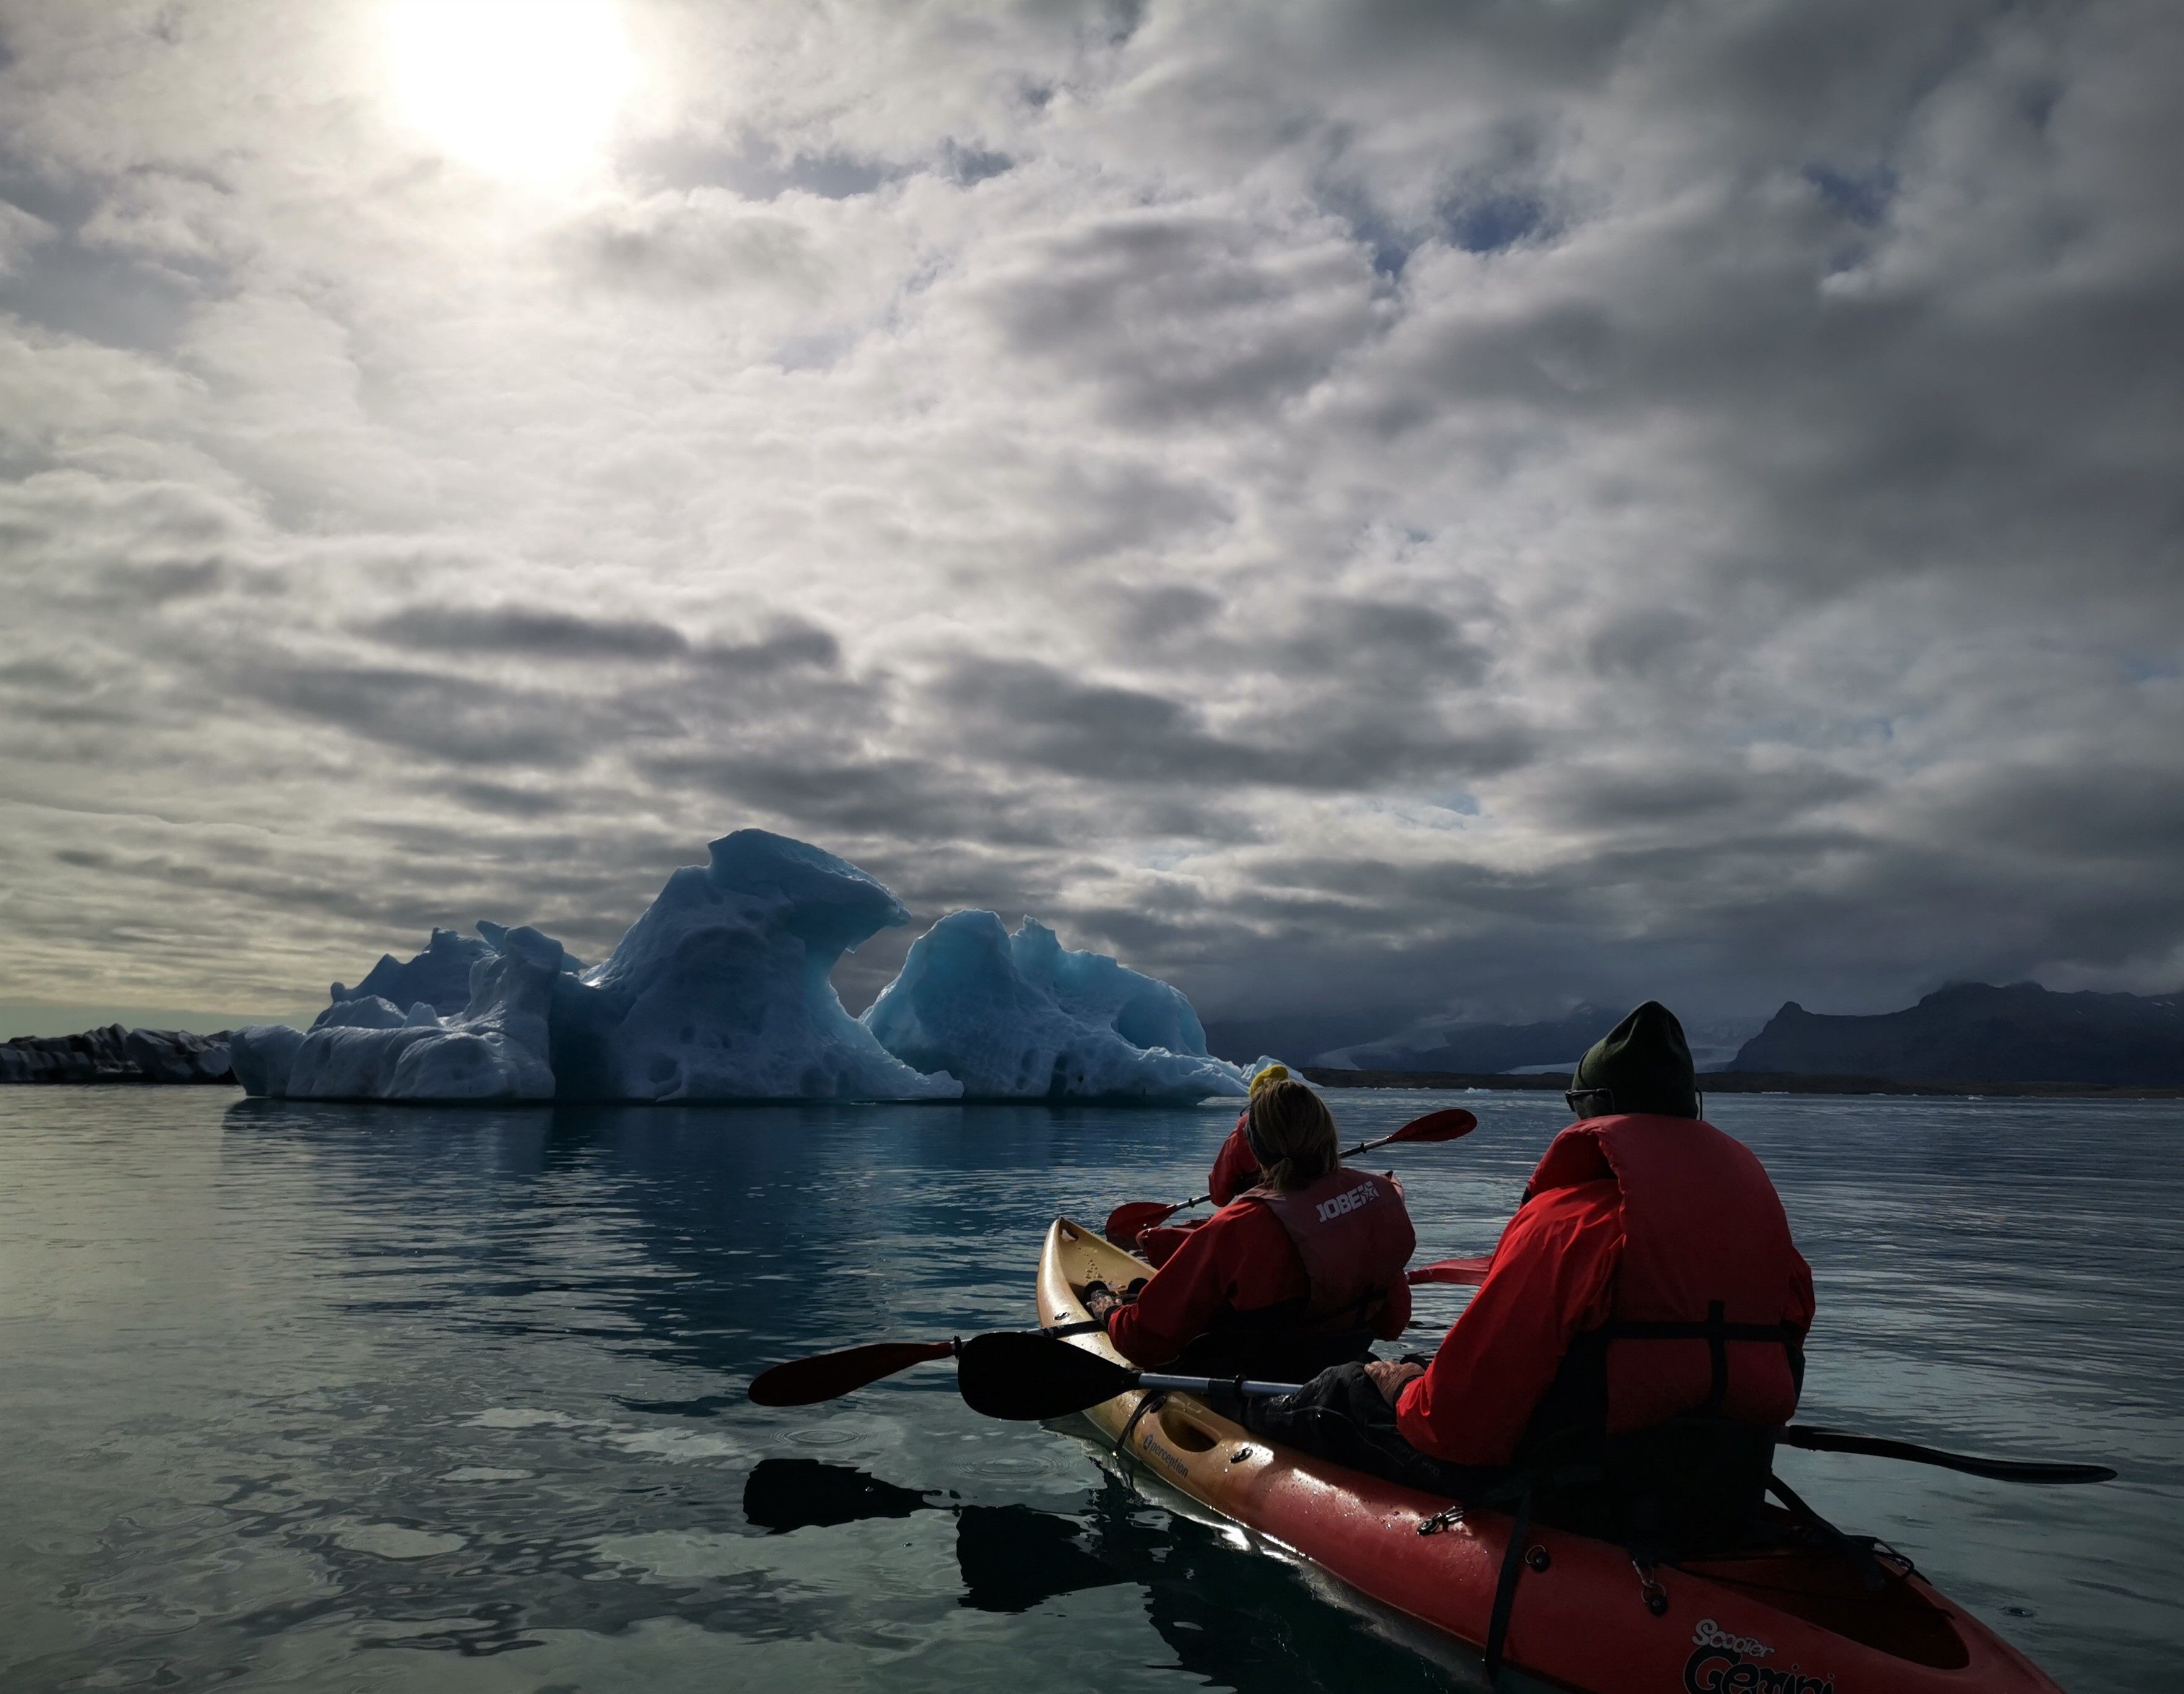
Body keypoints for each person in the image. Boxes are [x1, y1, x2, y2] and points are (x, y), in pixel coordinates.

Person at [1242, 1002, 1815, 1548]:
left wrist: (1397, 1387)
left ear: (1595, 1106)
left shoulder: (1569, 1224)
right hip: (1715, 1477)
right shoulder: (1764, 1229)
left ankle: (1231, 1432)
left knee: (1343, 1389)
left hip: (1577, 1487)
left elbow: (1459, 1425)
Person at [1083, 1078, 1417, 1379]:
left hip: (1256, 1384)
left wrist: (1107, 1309)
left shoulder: (1237, 1228)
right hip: (1342, 1363)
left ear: (1255, 1146)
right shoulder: (1381, 1194)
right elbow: (1392, 1322)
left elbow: (1142, 1342)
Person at [1137, 1061, 1291, 1268]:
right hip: (1292, 1224)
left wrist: (1238, 1182)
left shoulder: (1245, 1133)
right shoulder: (1309, 1130)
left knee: (1146, 1238)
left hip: (1261, 1222)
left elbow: (1219, 1196)